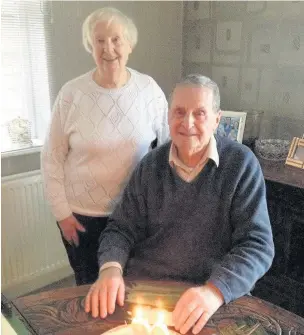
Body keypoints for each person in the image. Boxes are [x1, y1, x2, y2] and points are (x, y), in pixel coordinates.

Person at [85, 74, 274, 334]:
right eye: (179, 112)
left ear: (217, 120)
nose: (188, 123)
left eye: (200, 113)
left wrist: (214, 292)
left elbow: (258, 246)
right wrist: (110, 269)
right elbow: (120, 228)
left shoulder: (242, 165)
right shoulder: (150, 166)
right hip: (146, 293)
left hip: (211, 296)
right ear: (168, 116)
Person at [41, 7, 169, 286]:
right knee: (88, 289)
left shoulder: (149, 91)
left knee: (132, 287)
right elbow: (51, 158)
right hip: (82, 218)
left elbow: (168, 152)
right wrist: (62, 214)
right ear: (90, 46)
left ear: (130, 44)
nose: (108, 48)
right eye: (99, 41)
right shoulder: (71, 94)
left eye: (116, 39)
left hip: (135, 215)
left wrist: (161, 207)